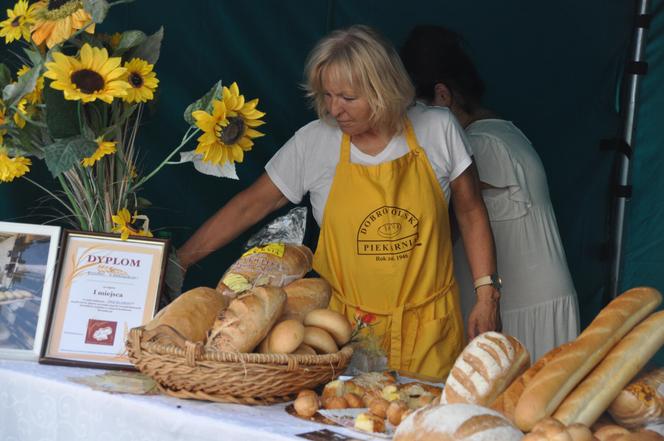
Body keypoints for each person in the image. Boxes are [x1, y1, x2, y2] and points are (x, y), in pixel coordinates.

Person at [177, 25, 501, 381]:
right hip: (341, 336)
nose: (334, 109)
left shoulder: (438, 129)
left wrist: (487, 295)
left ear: (384, 90)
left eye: (348, 98)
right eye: (328, 95)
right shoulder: (315, 142)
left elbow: (470, 211)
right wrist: (183, 260)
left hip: (430, 330)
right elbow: (250, 206)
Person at [401, 25, 580, 361]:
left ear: (442, 96)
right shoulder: (505, 132)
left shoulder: (479, 146)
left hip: (521, 308)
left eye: (417, 112)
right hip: (532, 300)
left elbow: (435, 228)